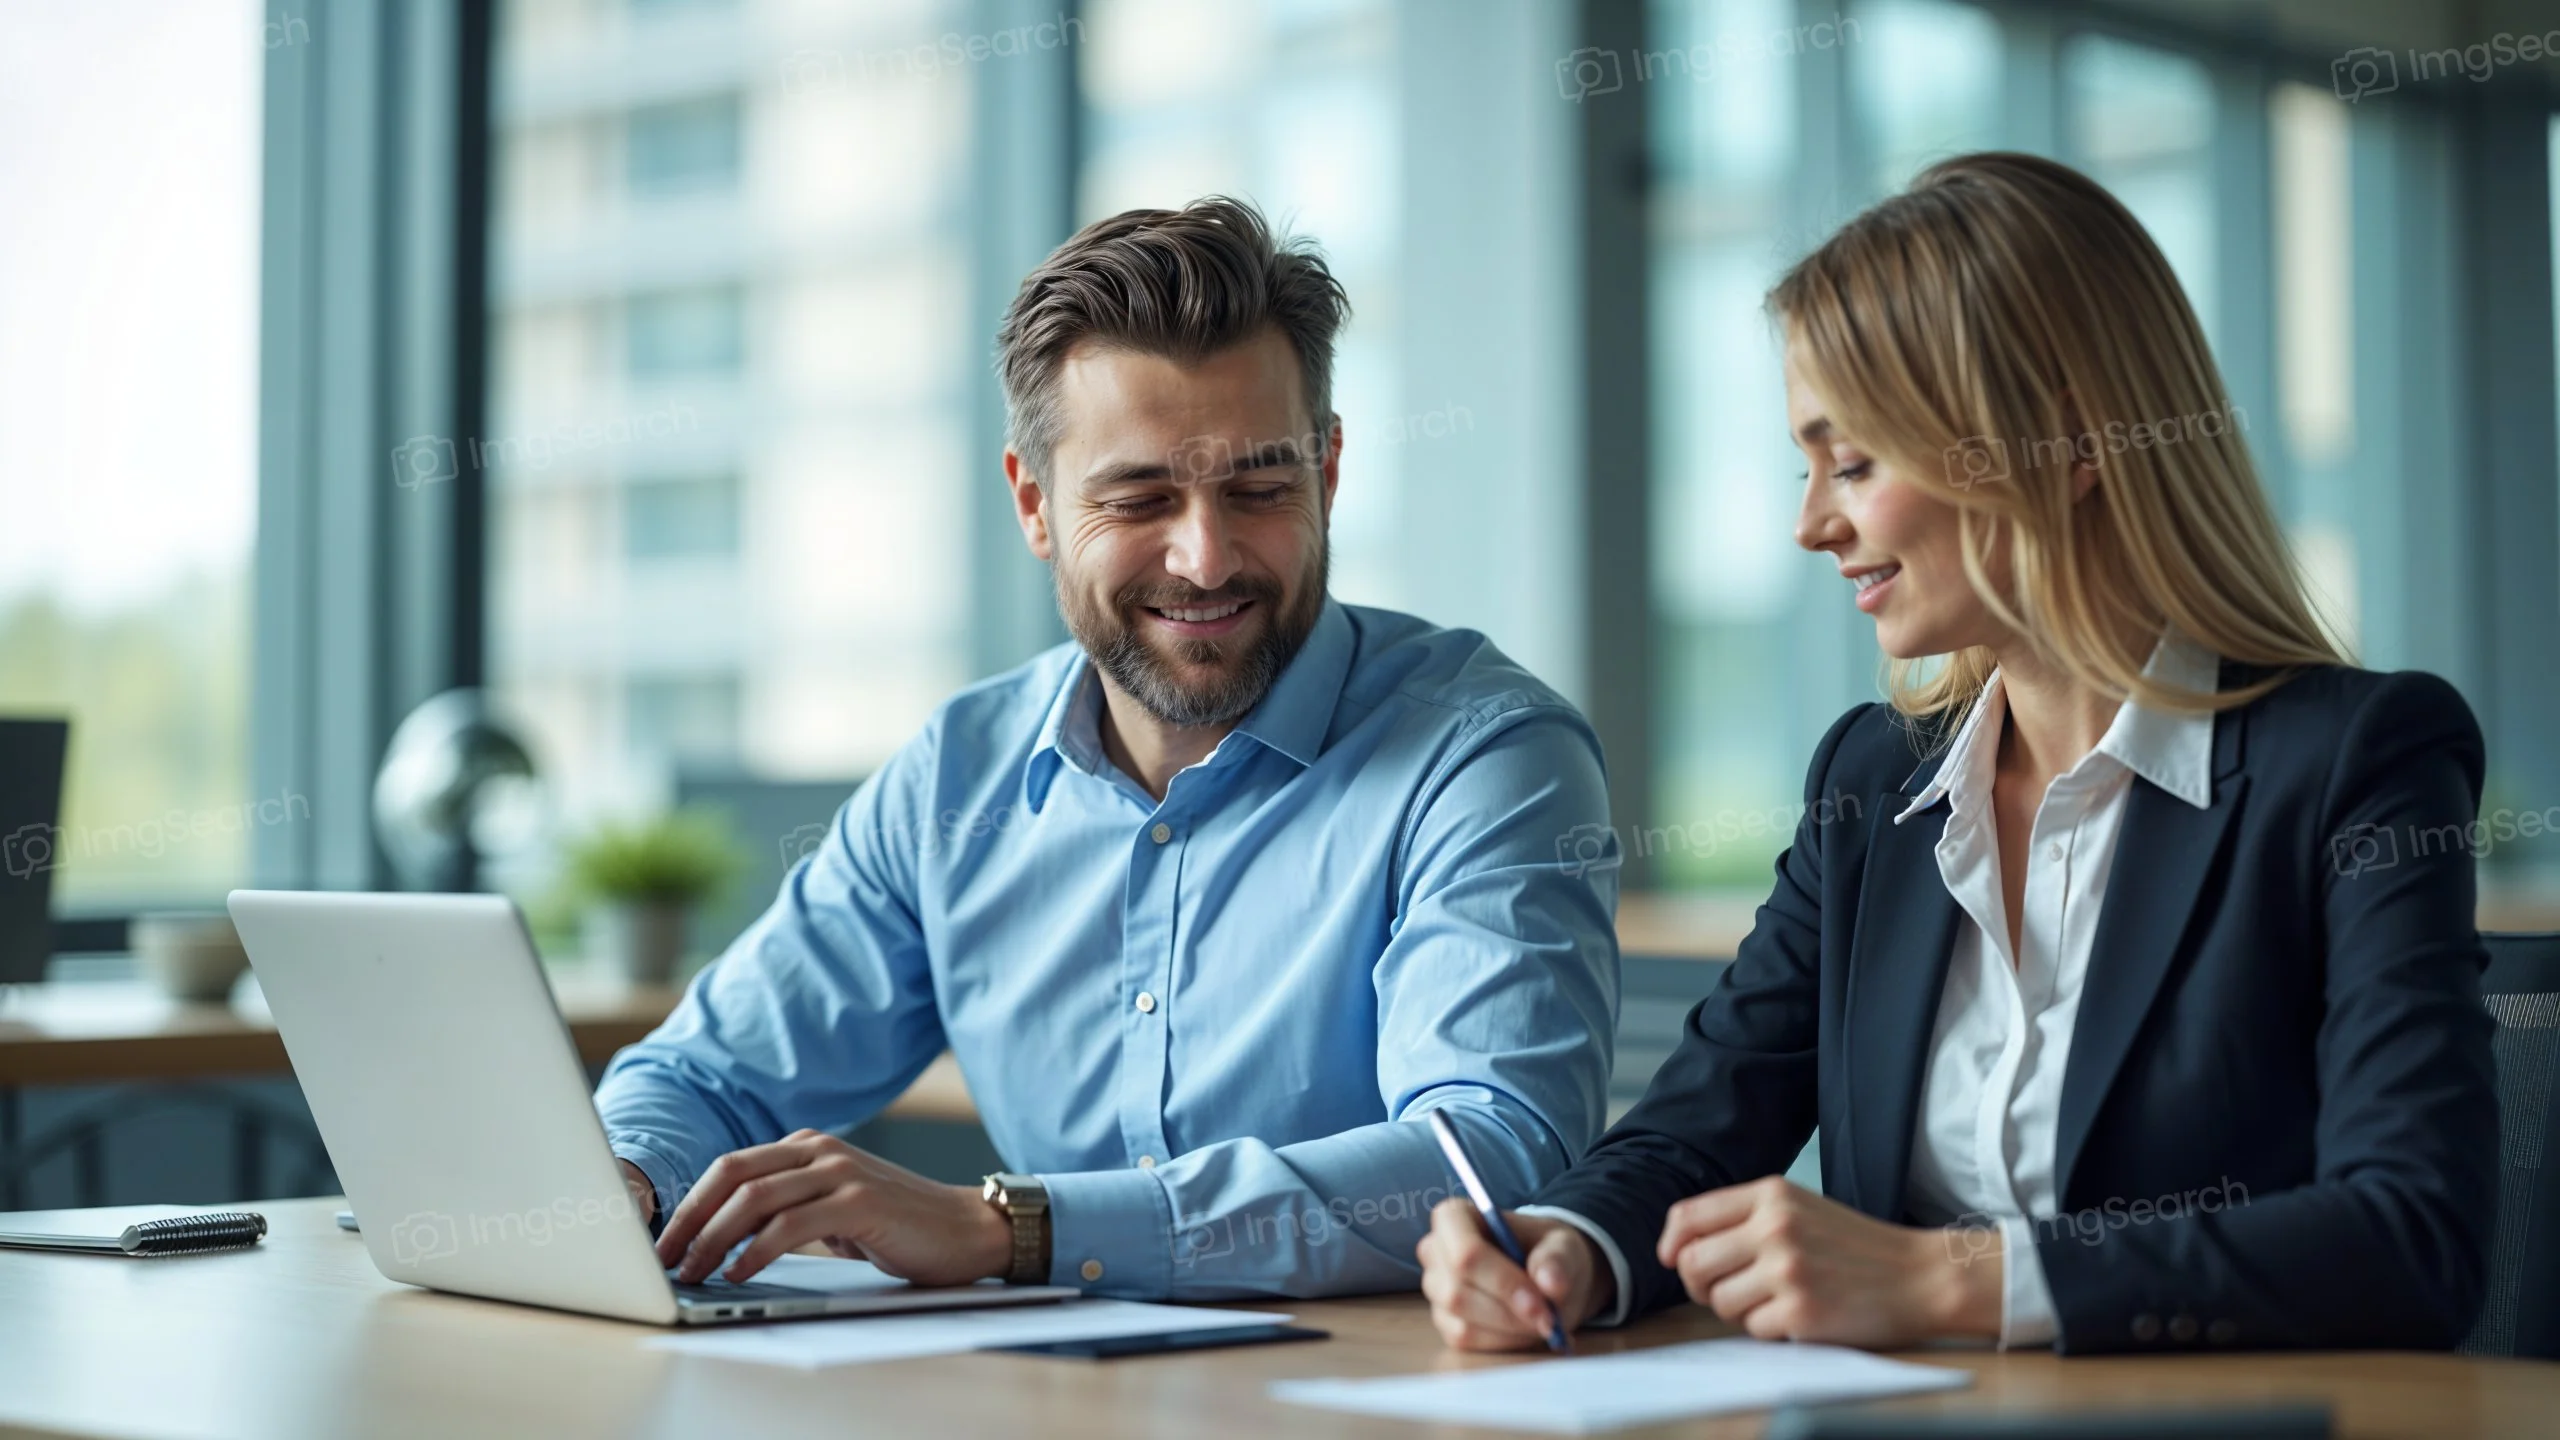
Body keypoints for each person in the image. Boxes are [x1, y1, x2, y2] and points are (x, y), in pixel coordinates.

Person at [1418, 152, 2497, 1355]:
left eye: (1856, 464)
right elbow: (1697, 1129)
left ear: (2070, 444)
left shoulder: (2358, 762)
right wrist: (1565, 1247)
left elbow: (2409, 1237)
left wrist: (1948, 1283)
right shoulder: (1873, 783)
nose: (1810, 523)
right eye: (1806, 465)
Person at [595, 197, 1621, 1301]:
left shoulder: (1482, 757)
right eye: (1140, 497)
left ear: (1327, 473)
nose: (1205, 557)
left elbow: (1488, 1155)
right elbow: (703, 1072)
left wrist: (1017, 1230)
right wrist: (631, 1181)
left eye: (1259, 489)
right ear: (1034, 503)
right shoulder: (959, 777)